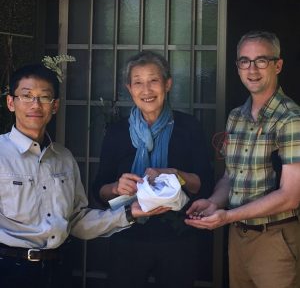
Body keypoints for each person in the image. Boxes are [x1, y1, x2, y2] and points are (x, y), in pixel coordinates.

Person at [0, 62, 170, 288]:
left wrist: (129, 213)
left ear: (55, 105)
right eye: (26, 96)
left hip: (57, 269)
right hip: (9, 269)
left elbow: (77, 220)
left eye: (45, 97)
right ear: (11, 102)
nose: (35, 104)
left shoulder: (64, 158)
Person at [185, 30, 300, 288]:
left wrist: (228, 216)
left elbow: (292, 195)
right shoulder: (236, 116)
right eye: (244, 61)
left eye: (261, 60)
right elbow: (230, 176)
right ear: (237, 66)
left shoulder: (290, 118)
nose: (252, 69)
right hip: (238, 236)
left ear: (278, 65)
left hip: (276, 238)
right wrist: (214, 203)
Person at [93, 51, 214, 288]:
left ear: (168, 84)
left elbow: (205, 184)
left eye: (154, 81)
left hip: (177, 237)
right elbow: (98, 191)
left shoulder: (189, 127)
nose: (146, 90)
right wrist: (117, 187)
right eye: (138, 82)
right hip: (126, 235)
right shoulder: (117, 132)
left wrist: (176, 175)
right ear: (129, 88)